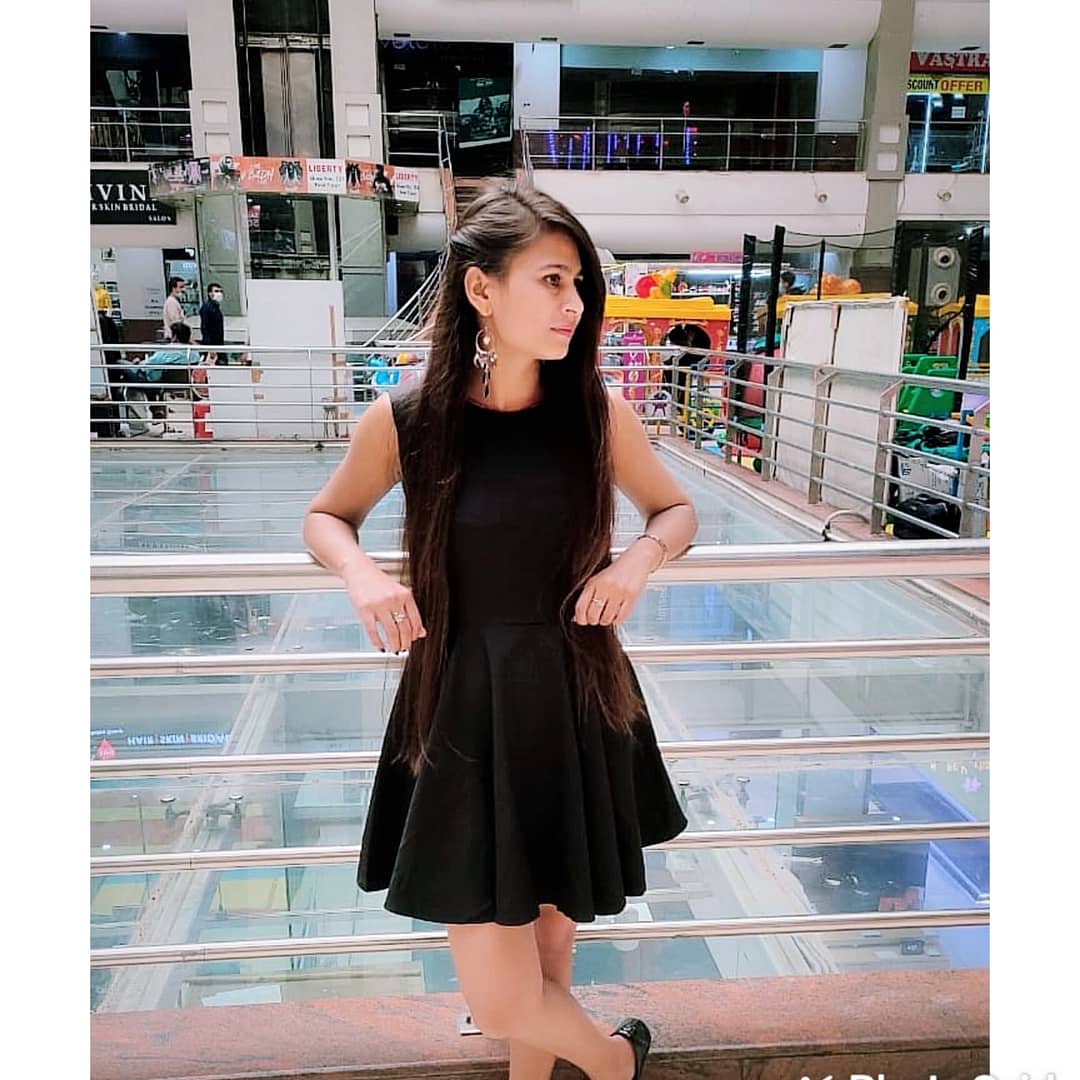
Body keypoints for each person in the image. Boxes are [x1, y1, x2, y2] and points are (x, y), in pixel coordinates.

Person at [303, 180, 697, 1080]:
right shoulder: (410, 420)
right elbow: (327, 517)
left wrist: (636, 562)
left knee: (549, 958)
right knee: (500, 998)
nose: (574, 303)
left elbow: (674, 510)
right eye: (552, 280)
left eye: (579, 284)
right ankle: (614, 1063)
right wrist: (362, 574)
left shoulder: (596, 414)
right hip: (462, 703)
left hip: (573, 692)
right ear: (482, 289)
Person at [198, 282, 226, 363]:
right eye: (216, 291)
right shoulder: (207, 308)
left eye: (220, 291)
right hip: (212, 346)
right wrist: (210, 347)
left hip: (218, 344)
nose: (219, 294)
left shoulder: (215, 307)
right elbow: (205, 328)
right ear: (210, 293)